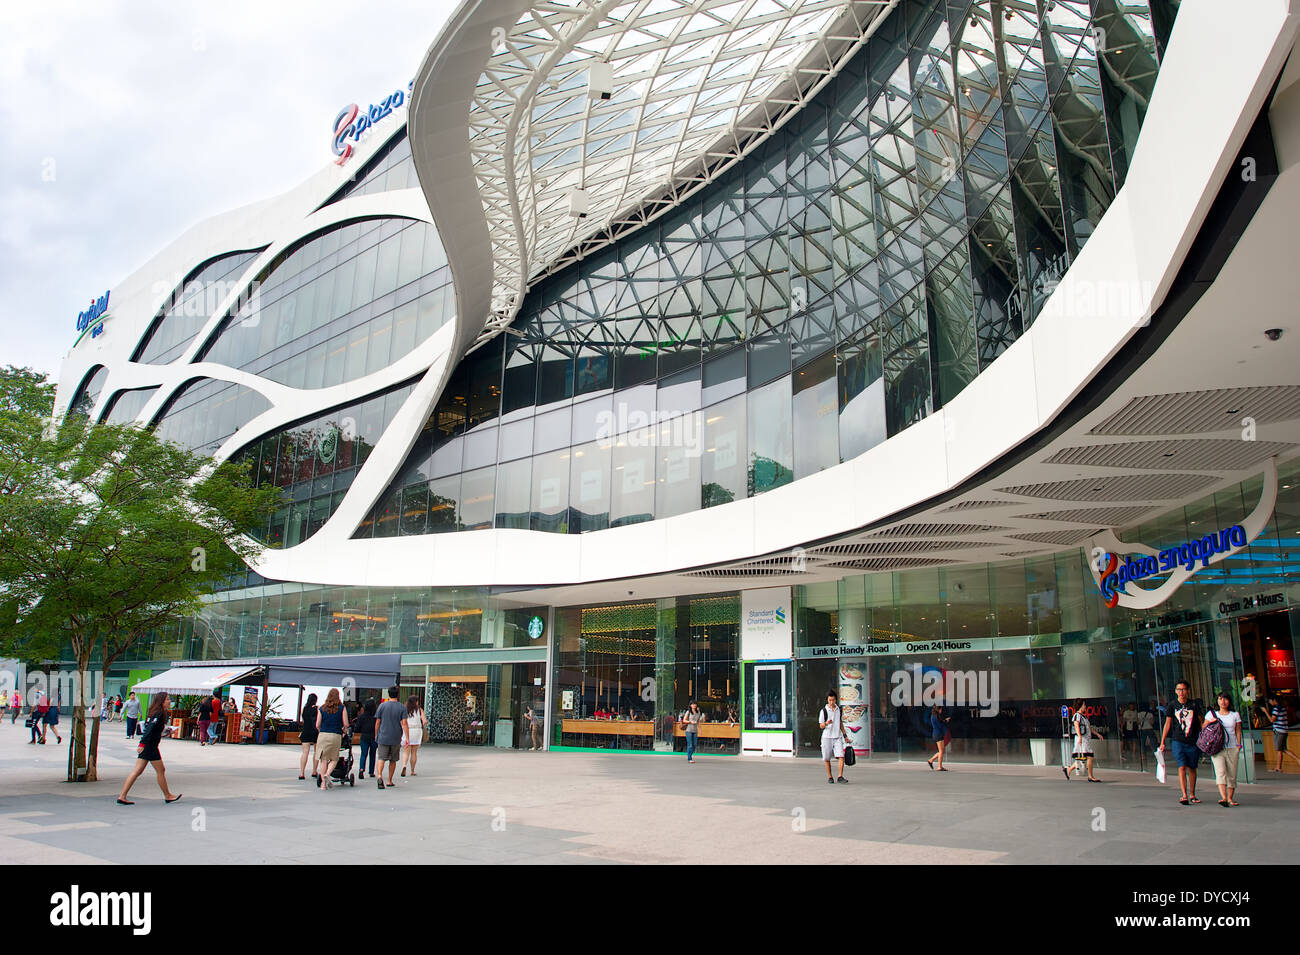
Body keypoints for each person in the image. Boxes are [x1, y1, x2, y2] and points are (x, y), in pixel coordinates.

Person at [117, 693, 182, 805]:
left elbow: (154, 730)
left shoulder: (157, 712)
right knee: (160, 770)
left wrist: (167, 732)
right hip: (150, 746)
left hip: (150, 745)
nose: (169, 701)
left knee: (138, 771)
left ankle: (122, 796)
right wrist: (142, 744)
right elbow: (149, 729)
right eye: (167, 699)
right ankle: (168, 795)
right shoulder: (159, 713)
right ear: (161, 701)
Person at [1158, 681, 1202, 805]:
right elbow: (1167, 723)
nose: (1181, 692)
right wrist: (1162, 741)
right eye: (1179, 689)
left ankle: (1192, 794)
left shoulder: (1194, 704)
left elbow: (1200, 721)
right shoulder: (1172, 705)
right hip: (1178, 740)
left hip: (1193, 740)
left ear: (1188, 691)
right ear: (1176, 691)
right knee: (1181, 766)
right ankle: (1184, 794)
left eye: (1184, 689)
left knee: (1192, 768)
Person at [1205, 691, 1243, 806]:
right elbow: (1204, 728)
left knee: (1232, 773)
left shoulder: (1234, 715)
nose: (1223, 701)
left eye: (1225, 699)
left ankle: (1230, 798)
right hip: (1217, 748)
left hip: (1232, 747)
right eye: (1220, 699)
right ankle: (1224, 797)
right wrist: (1210, 722)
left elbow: (1238, 731)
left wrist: (1239, 745)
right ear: (1217, 701)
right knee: (1220, 772)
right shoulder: (1211, 714)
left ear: (1229, 701)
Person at [314, 689, 349, 789]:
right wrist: (344, 730)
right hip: (335, 735)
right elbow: (346, 724)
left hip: (323, 735)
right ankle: (327, 774)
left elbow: (317, 724)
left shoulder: (322, 708)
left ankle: (323, 785)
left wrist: (322, 730)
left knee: (323, 759)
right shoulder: (342, 708)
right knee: (334, 759)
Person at [374, 686, 408, 790]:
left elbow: (378, 722)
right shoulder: (402, 707)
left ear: (388, 694)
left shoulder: (382, 706)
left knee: (381, 758)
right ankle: (389, 780)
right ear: (398, 694)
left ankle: (379, 776)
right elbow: (404, 723)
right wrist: (407, 737)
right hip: (395, 736)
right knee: (393, 760)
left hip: (383, 736)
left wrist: (376, 734)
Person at [1062, 699, 1100, 782]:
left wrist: (1097, 734)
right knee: (1090, 757)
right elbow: (1076, 726)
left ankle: (1068, 770)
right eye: (1084, 705)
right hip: (1082, 740)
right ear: (1080, 706)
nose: (1085, 706)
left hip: (1085, 739)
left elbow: (1088, 728)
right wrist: (1079, 736)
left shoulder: (1084, 716)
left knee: (1081, 758)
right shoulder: (1077, 715)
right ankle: (1090, 776)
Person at [1266, 695, 1300, 772]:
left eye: (1270, 701)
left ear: (1274, 700)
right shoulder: (1283, 708)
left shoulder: (1276, 709)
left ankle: (1279, 767)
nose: (1270, 702)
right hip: (1284, 730)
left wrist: (1265, 712)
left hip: (1279, 731)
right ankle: (1279, 767)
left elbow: (1272, 720)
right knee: (1283, 749)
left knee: (1279, 750)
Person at [819, 692, 847, 783]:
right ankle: (830, 777)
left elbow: (840, 723)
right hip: (827, 737)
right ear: (827, 700)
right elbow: (821, 726)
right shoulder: (824, 711)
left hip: (837, 736)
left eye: (833, 700)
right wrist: (826, 723)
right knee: (827, 758)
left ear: (836, 700)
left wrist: (845, 735)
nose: (831, 702)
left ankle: (840, 776)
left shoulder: (839, 710)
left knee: (841, 756)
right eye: (830, 700)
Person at [400, 695, 425, 777]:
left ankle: (404, 766)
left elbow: (402, 721)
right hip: (417, 731)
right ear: (416, 702)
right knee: (414, 752)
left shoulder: (405, 710)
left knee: (406, 751)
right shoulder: (419, 710)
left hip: (408, 730)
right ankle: (412, 770)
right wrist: (421, 725)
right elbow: (424, 721)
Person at [355, 698, 378, 780]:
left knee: (363, 754)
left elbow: (357, 728)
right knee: (373, 754)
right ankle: (371, 771)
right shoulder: (376, 716)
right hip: (374, 737)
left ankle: (361, 769)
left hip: (364, 736)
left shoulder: (362, 717)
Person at [298, 693, 319, 781]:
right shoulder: (317, 708)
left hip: (306, 731)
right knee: (316, 752)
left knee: (305, 752)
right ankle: (314, 771)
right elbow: (318, 721)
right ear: (315, 700)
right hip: (315, 731)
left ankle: (302, 773)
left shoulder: (304, 709)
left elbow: (303, 720)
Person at [926, 704, 950, 771]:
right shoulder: (936, 716)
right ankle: (939, 766)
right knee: (941, 751)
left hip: (937, 734)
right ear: (938, 709)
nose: (941, 710)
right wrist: (945, 721)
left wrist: (944, 720)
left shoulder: (933, 716)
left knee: (941, 751)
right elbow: (940, 725)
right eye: (941, 709)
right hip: (938, 734)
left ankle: (931, 760)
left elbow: (939, 723)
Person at [681, 699, 703, 764]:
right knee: (690, 744)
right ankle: (689, 758)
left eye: (695, 704)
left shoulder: (698, 712)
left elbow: (698, 721)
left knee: (694, 744)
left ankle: (689, 753)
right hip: (688, 730)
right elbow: (684, 720)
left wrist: (700, 729)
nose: (694, 705)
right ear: (690, 705)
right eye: (693, 704)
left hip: (695, 730)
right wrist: (690, 722)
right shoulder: (688, 712)